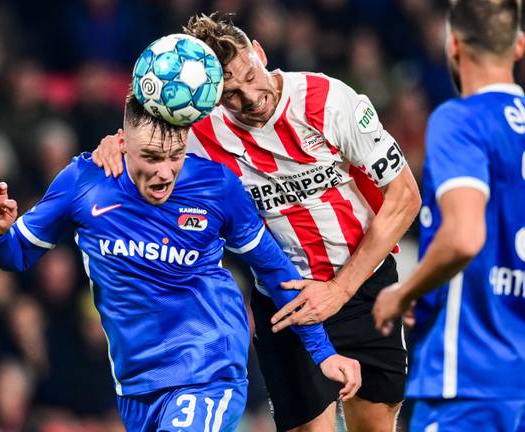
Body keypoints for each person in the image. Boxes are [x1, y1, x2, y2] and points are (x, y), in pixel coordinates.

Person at [94, 12, 421, 431]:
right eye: (230, 93)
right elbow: (143, 142)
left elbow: (405, 196)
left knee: (374, 426)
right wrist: (113, 144)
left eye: (251, 73)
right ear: (212, 96)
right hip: (285, 299)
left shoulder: (329, 100)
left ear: (260, 53)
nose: (250, 96)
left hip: (362, 285)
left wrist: (339, 290)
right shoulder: (202, 133)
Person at [0, 92, 361, 432]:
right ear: (123, 144)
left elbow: (275, 271)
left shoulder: (216, 186)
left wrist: (322, 352)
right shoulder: (84, 182)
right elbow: (17, 254)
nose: (165, 172)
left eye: (176, 155)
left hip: (209, 366)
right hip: (136, 385)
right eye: (152, 157)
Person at [371, 1, 525, 431]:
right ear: (520, 45)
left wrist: (402, 293)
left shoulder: (461, 120)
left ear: (453, 45)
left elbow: (464, 237)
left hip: (472, 375)